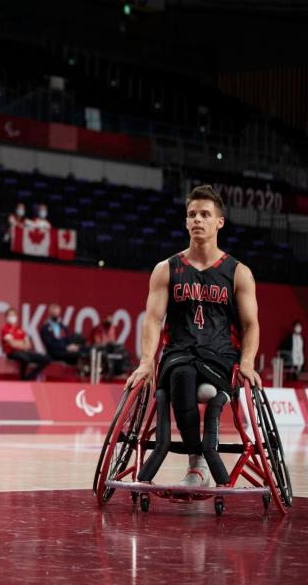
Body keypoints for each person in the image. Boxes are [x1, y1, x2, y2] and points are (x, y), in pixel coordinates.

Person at [129, 185, 262, 488]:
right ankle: (197, 462)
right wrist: (146, 362)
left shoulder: (238, 272)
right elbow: (152, 319)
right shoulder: (167, 268)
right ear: (186, 221)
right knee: (181, 376)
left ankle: (199, 459)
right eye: (192, 214)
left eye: (205, 214)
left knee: (187, 380)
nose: (197, 220)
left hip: (220, 354)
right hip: (179, 352)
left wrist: (249, 363)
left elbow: (251, 324)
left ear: (220, 222)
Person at [1, 307, 50, 381]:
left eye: (13, 315)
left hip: (23, 352)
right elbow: (12, 344)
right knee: (25, 359)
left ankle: (29, 377)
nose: (12, 317)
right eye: (10, 315)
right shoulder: (5, 329)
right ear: (6, 317)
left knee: (46, 359)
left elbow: (28, 345)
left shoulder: (20, 329)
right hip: (11, 353)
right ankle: (22, 378)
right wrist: (22, 343)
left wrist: (18, 343)